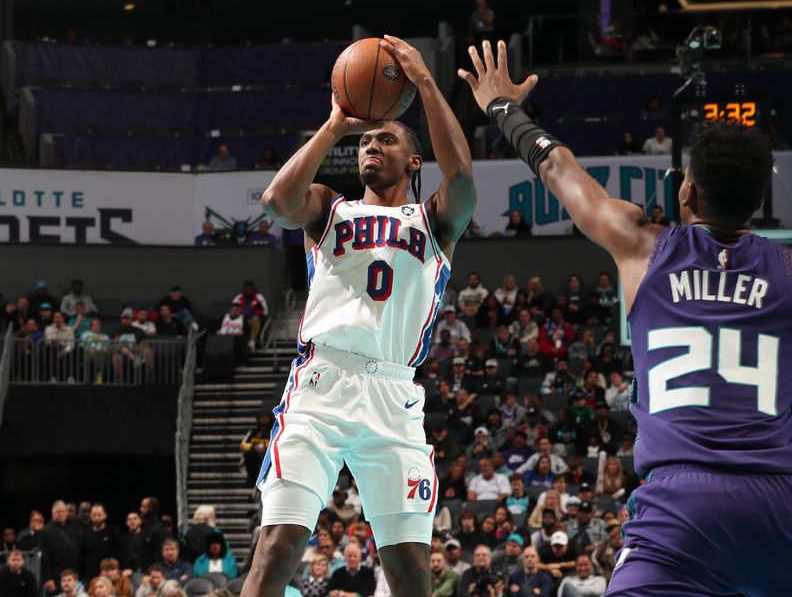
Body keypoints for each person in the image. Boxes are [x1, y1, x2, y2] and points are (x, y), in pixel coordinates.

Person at [460, 39, 791, 596]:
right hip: (779, 505)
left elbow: (558, 168)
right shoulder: (784, 268)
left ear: (686, 190)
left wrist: (502, 107)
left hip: (681, 508)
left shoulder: (642, 246)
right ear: (758, 200)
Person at [244, 35, 474, 597]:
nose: (371, 145)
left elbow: (464, 180)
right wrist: (334, 127)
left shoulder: (435, 220)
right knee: (277, 548)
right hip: (321, 386)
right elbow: (275, 203)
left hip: (394, 397)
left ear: (413, 159)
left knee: (410, 574)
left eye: (386, 138)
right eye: (366, 141)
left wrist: (423, 82)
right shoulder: (329, 206)